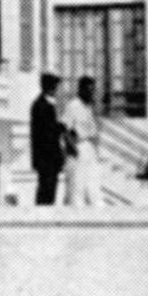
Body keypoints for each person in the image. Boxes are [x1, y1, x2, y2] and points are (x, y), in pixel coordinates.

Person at [63, 75, 102, 206]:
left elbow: (94, 130)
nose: (91, 93)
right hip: (78, 147)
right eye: (89, 90)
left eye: (93, 90)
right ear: (81, 90)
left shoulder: (89, 107)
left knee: (93, 187)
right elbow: (65, 130)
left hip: (90, 149)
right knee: (77, 189)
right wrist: (73, 149)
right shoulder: (73, 105)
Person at [29, 72, 65, 205]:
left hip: (45, 158)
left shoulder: (41, 104)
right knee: (47, 191)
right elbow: (47, 133)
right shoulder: (43, 106)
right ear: (50, 87)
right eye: (55, 86)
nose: (56, 90)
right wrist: (61, 127)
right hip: (47, 157)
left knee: (47, 190)